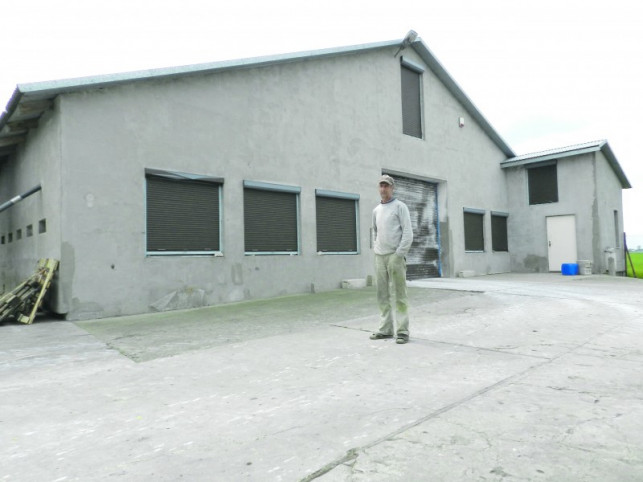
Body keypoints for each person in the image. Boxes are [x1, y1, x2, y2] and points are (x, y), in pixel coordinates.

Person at [370, 174, 414, 344]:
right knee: (382, 294)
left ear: (392, 188)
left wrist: (399, 254)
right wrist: (376, 249)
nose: (383, 189)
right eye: (381, 186)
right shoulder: (376, 210)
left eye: (386, 186)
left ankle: (402, 331)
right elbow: (375, 231)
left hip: (395, 256)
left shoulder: (400, 207)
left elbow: (408, 233)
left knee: (399, 294)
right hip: (380, 257)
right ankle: (385, 329)